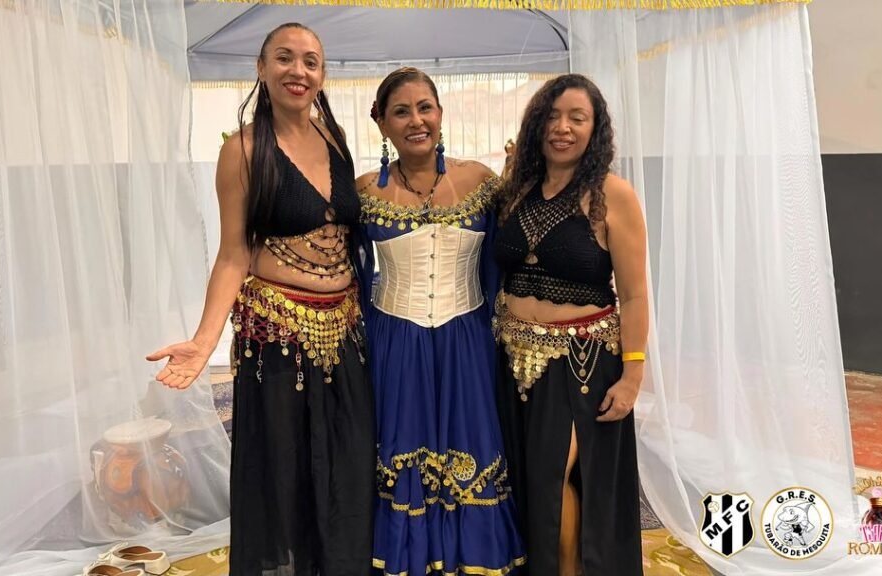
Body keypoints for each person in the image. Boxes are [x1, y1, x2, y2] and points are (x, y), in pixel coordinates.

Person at [146, 23, 374, 576]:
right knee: (285, 471)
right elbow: (233, 254)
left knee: (347, 462)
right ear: (261, 68)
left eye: (311, 61)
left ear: (322, 74)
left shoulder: (335, 139)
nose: (298, 71)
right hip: (277, 338)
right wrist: (204, 341)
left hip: (343, 333)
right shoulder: (243, 151)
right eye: (285, 58)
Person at [355, 67, 525, 576]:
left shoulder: (480, 181)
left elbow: (506, 256)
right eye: (401, 111)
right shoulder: (364, 191)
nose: (416, 120)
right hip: (395, 340)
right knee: (401, 446)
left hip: (466, 339)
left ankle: (472, 556)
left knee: (472, 441)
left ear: (440, 114)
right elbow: (350, 266)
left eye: (424, 108)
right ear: (382, 123)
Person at [493, 73, 649, 576]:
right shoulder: (517, 189)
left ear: (594, 129)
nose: (563, 128)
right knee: (525, 479)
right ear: (537, 125)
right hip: (512, 360)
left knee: (552, 477)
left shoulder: (612, 195)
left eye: (576, 118)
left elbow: (634, 294)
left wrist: (633, 375)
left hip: (581, 362)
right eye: (553, 117)